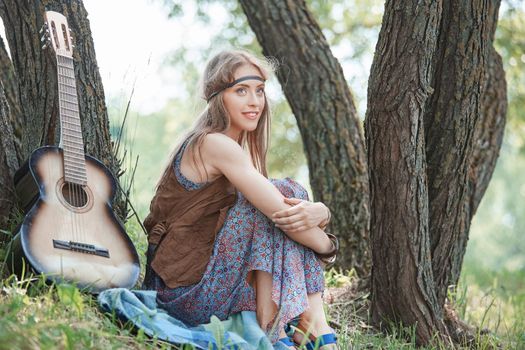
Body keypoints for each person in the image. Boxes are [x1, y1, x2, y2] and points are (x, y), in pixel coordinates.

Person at [142, 49, 339, 349]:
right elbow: (279, 213)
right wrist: (328, 243)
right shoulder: (214, 144)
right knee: (279, 197)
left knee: (284, 194)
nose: (254, 101)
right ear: (219, 97)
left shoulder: (231, 150)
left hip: (201, 284)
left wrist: (320, 212)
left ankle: (304, 325)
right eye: (241, 91)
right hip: (183, 294)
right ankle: (287, 328)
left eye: (259, 91)